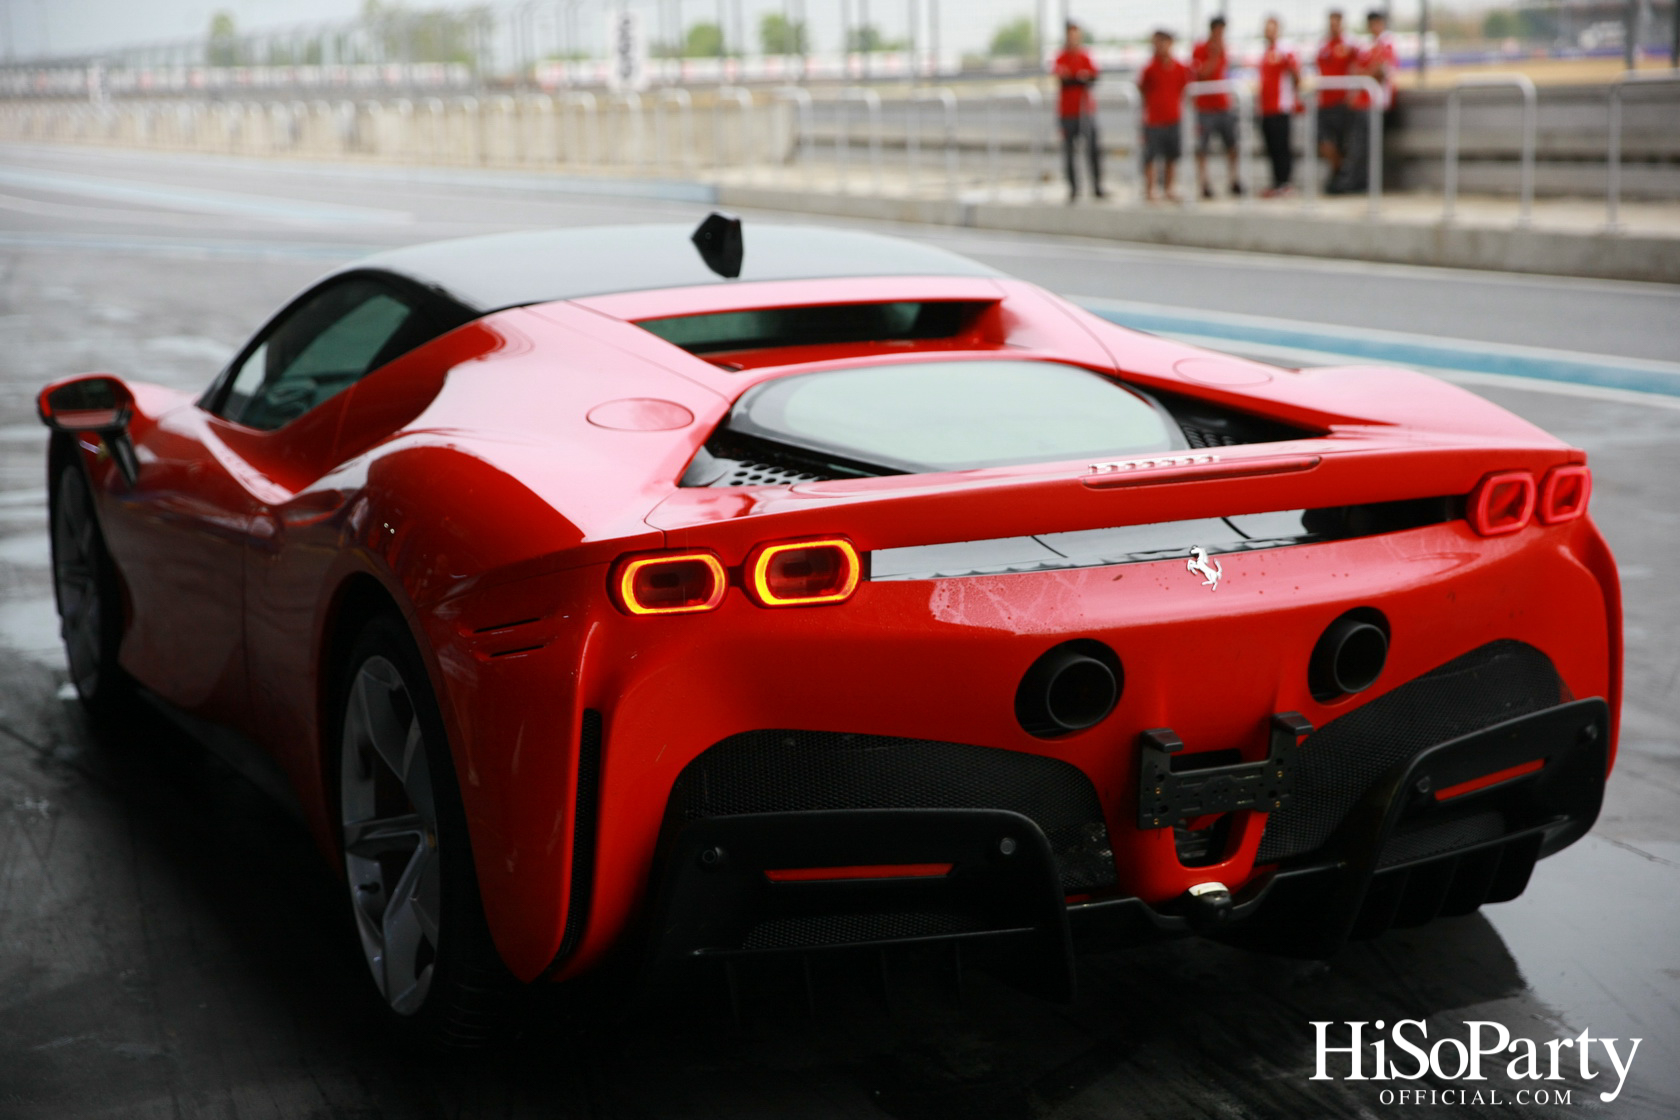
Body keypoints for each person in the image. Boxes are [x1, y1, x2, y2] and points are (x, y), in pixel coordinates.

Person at [1330, 8, 1397, 194]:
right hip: (1363, 104)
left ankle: (1365, 182)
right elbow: (1358, 69)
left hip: (1377, 104)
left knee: (1367, 146)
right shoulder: (1369, 46)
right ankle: (1357, 181)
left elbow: (1380, 71)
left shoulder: (1387, 43)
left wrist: (1364, 76)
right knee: (1358, 145)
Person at [1137, 29, 1192, 202]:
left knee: (1171, 156)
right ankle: (1150, 190)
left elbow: (1185, 89)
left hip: (1173, 117)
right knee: (1150, 156)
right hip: (1153, 119)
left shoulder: (1180, 68)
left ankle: (1169, 189)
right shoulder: (1149, 68)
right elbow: (1142, 89)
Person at [1053, 21, 1104, 201]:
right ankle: (1074, 189)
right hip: (1067, 112)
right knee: (1069, 152)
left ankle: (1097, 187)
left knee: (1093, 150)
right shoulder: (1061, 57)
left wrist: (1078, 78)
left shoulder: (1085, 56)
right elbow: (1063, 78)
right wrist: (1079, 78)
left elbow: (1093, 76)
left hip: (1086, 111)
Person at [1191, 16, 1242, 198]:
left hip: (1223, 105)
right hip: (1205, 108)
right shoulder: (1200, 49)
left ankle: (1233, 179)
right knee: (1202, 148)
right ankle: (1204, 183)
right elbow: (1202, 74)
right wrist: (1214, 56)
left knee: (1232, 145)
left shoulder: (1224, 50)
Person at [1257, 16, 1303, 196]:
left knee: (1282, 146)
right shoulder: (1265, 52)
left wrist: (1294, 97)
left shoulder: (1285, 50)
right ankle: (1276, 182)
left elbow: (1296, 75)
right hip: (1266, 108)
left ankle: (1285, 182)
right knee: (1271, 146)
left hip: (1281, 107)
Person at [1315, 10, 1356, 189]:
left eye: (1336, 22)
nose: (1334, 26)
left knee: (1341, 144)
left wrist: (1352, 94)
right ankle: (1339, 172)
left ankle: (1339, 177)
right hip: (1325, 102)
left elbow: (1356, 68)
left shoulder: (1350, 45)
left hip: (1342, 103)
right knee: (1324, 143)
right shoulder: (1323, 46)